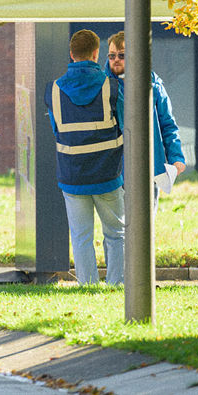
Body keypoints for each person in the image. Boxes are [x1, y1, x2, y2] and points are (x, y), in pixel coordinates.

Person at [45, 28, 124, 285]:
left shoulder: (53, 90)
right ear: (95, 53)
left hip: (71, 175)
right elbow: (124, 125)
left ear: (71, 54)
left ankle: (88, 287)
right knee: (115, 233)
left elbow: (57, 130)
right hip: (107, 173)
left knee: (81, 237)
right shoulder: (112, 87)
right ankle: (116, 284)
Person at [106, 32, 186, 209]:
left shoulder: (154, 85)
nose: (116, 60)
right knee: (118, 231)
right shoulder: (103, 85)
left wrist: (176, 157)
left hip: (148, 166)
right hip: (114, 171)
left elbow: (168, 124)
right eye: (112, 55)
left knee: (146, 224)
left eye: (122, 55)